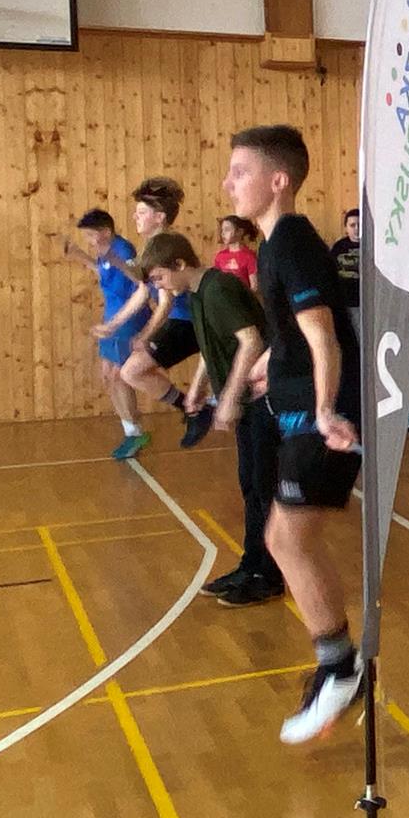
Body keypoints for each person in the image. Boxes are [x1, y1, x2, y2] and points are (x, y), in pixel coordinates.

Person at [222, 123, 366, 744]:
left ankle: (341, 669)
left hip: (322, 417)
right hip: (296, 405)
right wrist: (264, 367)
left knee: (287, 540)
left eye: (241, 172)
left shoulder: (294, 245)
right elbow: (291, 335)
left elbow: (323, 337)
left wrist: (327, 410)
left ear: (278, 180)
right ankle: (340, 664)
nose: (228, 183)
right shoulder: (275, 245)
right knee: (286, 538)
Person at [136, 231, 283, 607]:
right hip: (247, 401)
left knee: (263, 487)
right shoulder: (198, 294)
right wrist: (199, 387)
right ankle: (252, 565)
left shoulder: (218, 290)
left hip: (264, 399)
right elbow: (212, 344)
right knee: (250, 485)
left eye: (160, 277)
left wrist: (230, 396)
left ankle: (269, 576)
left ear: (180, 264)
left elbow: (251, 341)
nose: (159, 286)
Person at [102, 177, 211, 447]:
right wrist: (114, 323)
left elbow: (166, 303)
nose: (135, 217)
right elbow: (143, 291)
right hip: (178, 321)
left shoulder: (165, 247)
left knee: (130, 372)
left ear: (159, 217)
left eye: (141, 212)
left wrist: (145, 334)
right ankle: (194, 408)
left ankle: (195, 409)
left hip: (188, 323)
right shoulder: (151, 246)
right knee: (129, 372)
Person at [62, 208, 148, 459]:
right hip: (111, 316)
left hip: (127, 319)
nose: (89, 241)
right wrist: (80, 256)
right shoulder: (105, 252)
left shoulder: (123, 250)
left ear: (106, 232)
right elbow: (105, 274)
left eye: (91, 235)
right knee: (108, 376)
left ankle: (135, 432)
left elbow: (137, 281)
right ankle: (130, 430)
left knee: (118, 375)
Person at [331, 207, 363, 342]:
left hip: (365, 303)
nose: (357, 229)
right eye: (352, 225)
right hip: (343, 301)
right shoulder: (338, 247)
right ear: (346, 228)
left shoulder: (372, 246)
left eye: (360, 225)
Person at [213, 215, 259, 286]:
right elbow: (216, 282)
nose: (223, 233)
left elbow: (254, 286)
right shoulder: (220, 256)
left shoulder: (249, 256)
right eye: (222, 230)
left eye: (227, 229)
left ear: (240, 232)